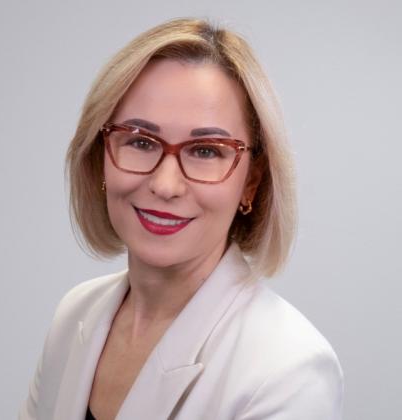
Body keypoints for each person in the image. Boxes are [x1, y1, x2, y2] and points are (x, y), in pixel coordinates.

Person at [19, 17, 344, 420]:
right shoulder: (74, 316)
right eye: (140, 141)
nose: (165, 184)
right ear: (99, 158)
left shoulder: (289, 371)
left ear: (251, 182)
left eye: (206, 150)